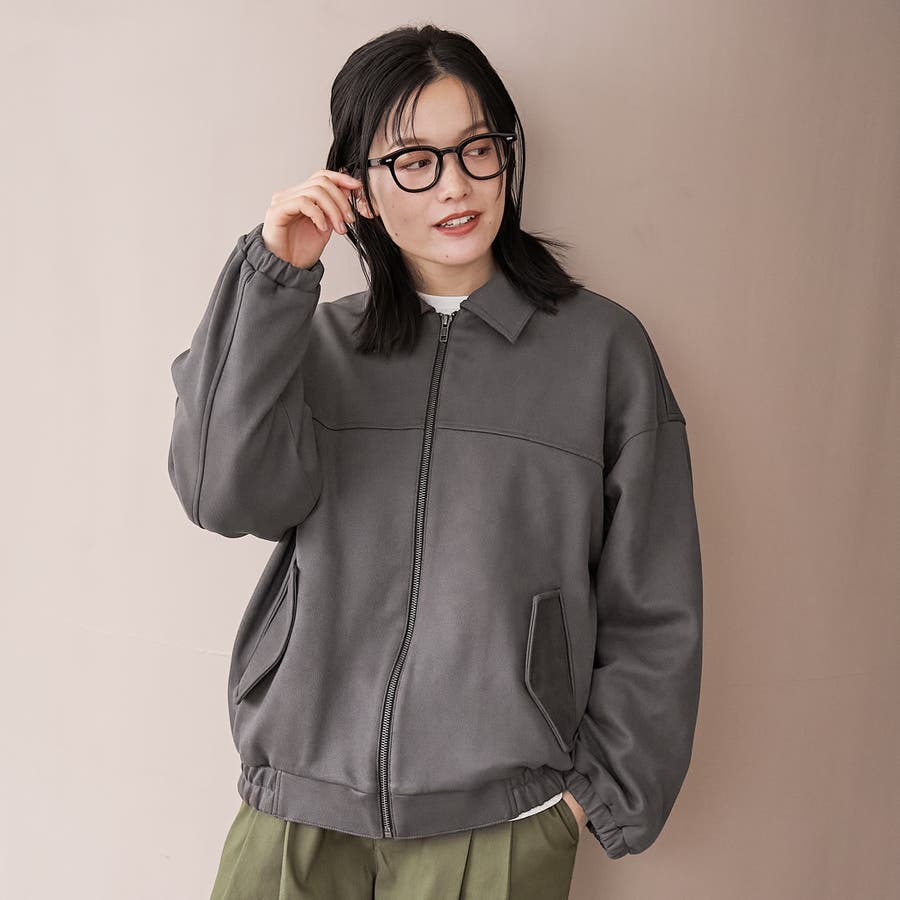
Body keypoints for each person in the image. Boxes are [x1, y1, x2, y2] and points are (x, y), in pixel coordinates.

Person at [167, 22, 703, 900]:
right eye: (414, 160)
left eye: (476, 150)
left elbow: (656, 598)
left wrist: (591, 801)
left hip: (499, 828)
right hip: (295, 814)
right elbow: (220, 493)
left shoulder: (602, 352)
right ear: (361, 188)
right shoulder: (316, 346)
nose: (455, 185)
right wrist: (273, 279)